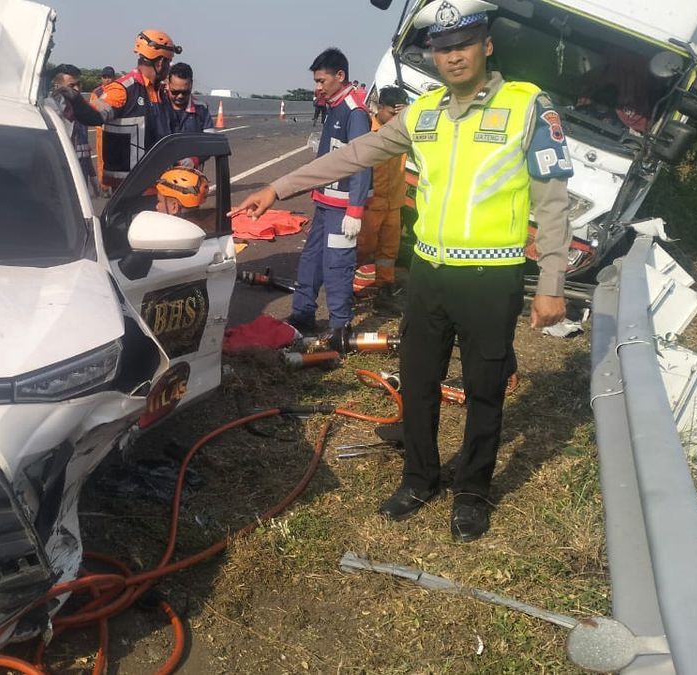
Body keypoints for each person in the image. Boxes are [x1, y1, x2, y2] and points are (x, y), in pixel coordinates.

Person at [230, 0, 573, 542]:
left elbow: (554, 203)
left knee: (484, 389)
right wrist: (280, 186)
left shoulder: (528, 106)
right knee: (418, 382)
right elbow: (356, 153)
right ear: (433, 56)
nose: (453, 57)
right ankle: (420, 478)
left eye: (463, 45)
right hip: (430, 277)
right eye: (442, 48)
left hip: (492, 278)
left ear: (486, 47)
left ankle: (472, 492)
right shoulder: (426, 112)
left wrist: (552, 283)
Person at [277, 47, 372, 334]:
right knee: (311, 260)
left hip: (343, 208)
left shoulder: (354, 112)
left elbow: (361, 162)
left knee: (337, 266)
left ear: (340, 76)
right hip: (325, 202)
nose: (317, 87)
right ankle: (303, 313)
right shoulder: (333, 106)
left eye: (322, 81)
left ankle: (339, 326)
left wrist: (355, 210)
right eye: (316, 81)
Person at [56, 30, 181, 189]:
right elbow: (93, 115)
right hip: (129, 190)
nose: (168, 69)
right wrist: (74, 97)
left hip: (156, 185)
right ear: (160, 63)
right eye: (169, 63)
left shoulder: (160, 93)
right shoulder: (122, 90)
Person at [354, 85, 409, 314]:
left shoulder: (405, 130)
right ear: (380, 108)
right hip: (371, 204)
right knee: (361, 247)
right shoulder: (365, 129)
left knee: (389, 251)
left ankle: (384, 291)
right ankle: (344, 289)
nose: (394, 118)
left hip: (393, 203)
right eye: (390, 113)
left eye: (399, 114)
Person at [46, 64, 101, 196]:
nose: (77, 89)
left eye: (79, 84)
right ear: (57, 87)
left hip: (81, 178)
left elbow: (84, 150)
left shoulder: (82, 111)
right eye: (71, 86)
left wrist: (93, 177)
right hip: (60, 178)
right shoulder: (50, 111)